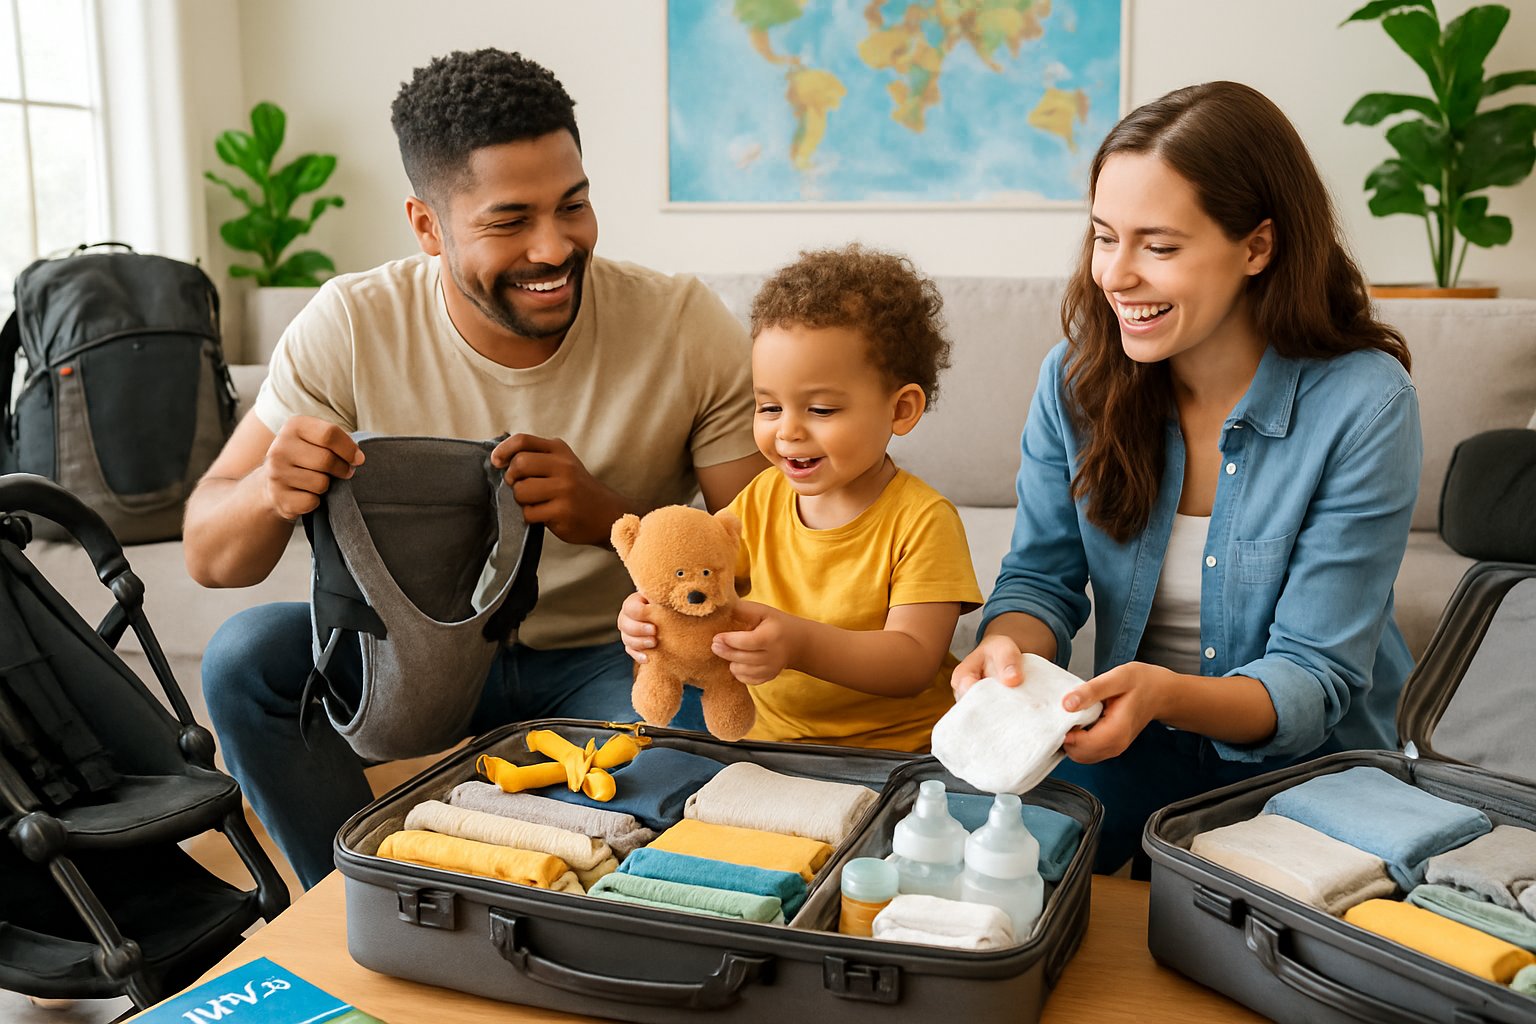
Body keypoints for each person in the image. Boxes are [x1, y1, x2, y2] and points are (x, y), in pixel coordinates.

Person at [183, 49, 764, 889]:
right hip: (408, 660)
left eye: (573, 206)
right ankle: (354, 901)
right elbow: (211, 556)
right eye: (509, 221)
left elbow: (772, 559)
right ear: (428, 226)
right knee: (245, 659)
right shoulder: (351, 323)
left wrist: (609, 519)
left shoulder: (682, 325)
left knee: (694, 775)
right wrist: (271, 489)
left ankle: (547, 901)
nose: (554, 246)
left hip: (614, 656)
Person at [952, 81, 1422, 873]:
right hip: (1132, 738)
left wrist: (1165, 694)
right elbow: (1040, 579)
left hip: (1310, 758)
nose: (1116, 275)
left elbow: (1314, 677)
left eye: (1159, 247)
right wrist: (1005, 649)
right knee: (986, 868)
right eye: (1105, 237)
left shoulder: (1365, 403)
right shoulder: (1075, 381)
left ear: (1257, 247)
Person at [620, 245, 984, 752]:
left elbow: (913, 662)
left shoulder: (924, 520)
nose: (787, 432)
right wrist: (647, 616)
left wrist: (800, 644)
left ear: (900, 409)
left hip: (900, 751)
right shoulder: (759, 499)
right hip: (768, 743)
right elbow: (702, 587)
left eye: (821, 409)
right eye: (768, 407)